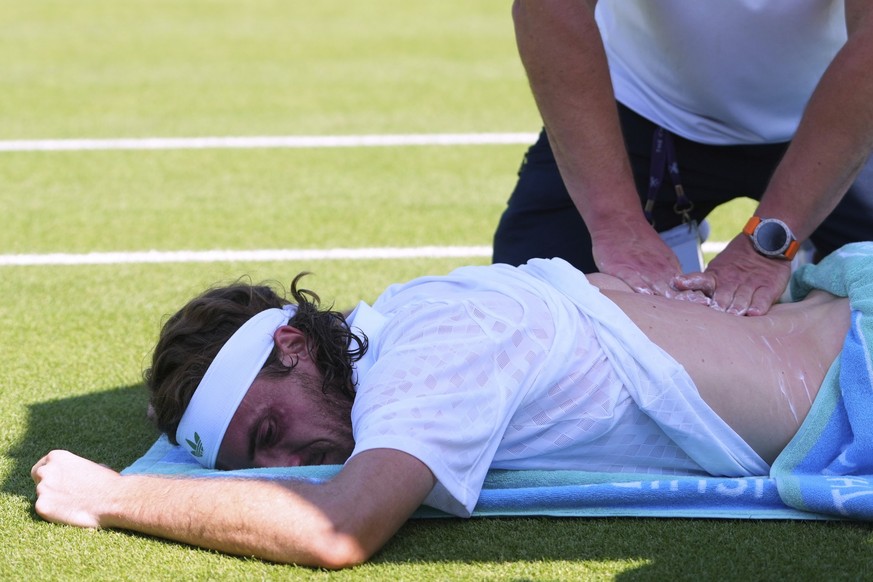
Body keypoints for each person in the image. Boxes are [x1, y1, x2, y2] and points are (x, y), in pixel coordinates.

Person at [32, 256, 851, 568]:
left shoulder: (433, 350)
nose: (290, 469)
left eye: (270, 431)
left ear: (290, 344)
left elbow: (334, 530)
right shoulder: (411, 311)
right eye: (260, 464)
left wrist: (111, 497)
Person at [492, 0, 873, 316]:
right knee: (526, 305)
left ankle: (813, 246)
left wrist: (772, 243)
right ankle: (665, 223)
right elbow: (551, 8)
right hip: (648, 106)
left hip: (839, 117)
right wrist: (616, 221)